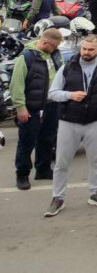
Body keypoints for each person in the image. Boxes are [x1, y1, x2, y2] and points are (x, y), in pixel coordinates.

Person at [43, 34, 97, 216]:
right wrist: (70, 95)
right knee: (61, 162)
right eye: (84, 49)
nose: (87, 52)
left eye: (91, 49)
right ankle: (57, 197)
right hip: (69, 120)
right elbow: (52, 93)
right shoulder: (68, 66)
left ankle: (95, 192)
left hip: (95, 120)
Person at [11, 27, 63, 190]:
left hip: (51, 105)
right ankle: (22, 174)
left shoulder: (54, 54)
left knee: (47, 139)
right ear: (45, 42)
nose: (56, 49)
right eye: (54, 46)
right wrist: (20, 107)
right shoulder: (26, 57)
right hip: (32, 107)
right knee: (26, 142)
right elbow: (16, 85)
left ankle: (43, 169)